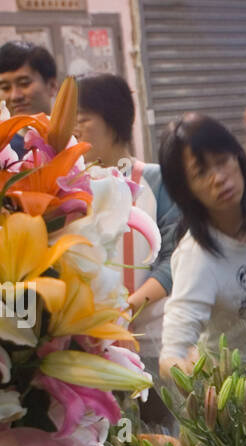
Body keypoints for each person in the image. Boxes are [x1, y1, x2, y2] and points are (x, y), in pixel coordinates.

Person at [158, 114, 246, 406]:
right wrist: (196, 382)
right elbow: (171, 355)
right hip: (233, 388)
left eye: (221, 161)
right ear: (185, 190)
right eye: (201, 173)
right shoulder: (197, 258)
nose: (219, 178)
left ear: (237, 157)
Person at [76, 73, 180, 380]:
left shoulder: (158, 181)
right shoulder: (69, 187)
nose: (73, 130)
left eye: (82, 119)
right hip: (91, 340)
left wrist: (125, 311)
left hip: (153, 340)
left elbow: (173, 259)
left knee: (156, 424)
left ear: (114, 121)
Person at [0, 42, 58, 117]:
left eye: (24, 83)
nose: (15, 96)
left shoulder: (70, 128)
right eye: (5, 87)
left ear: (52, 86)